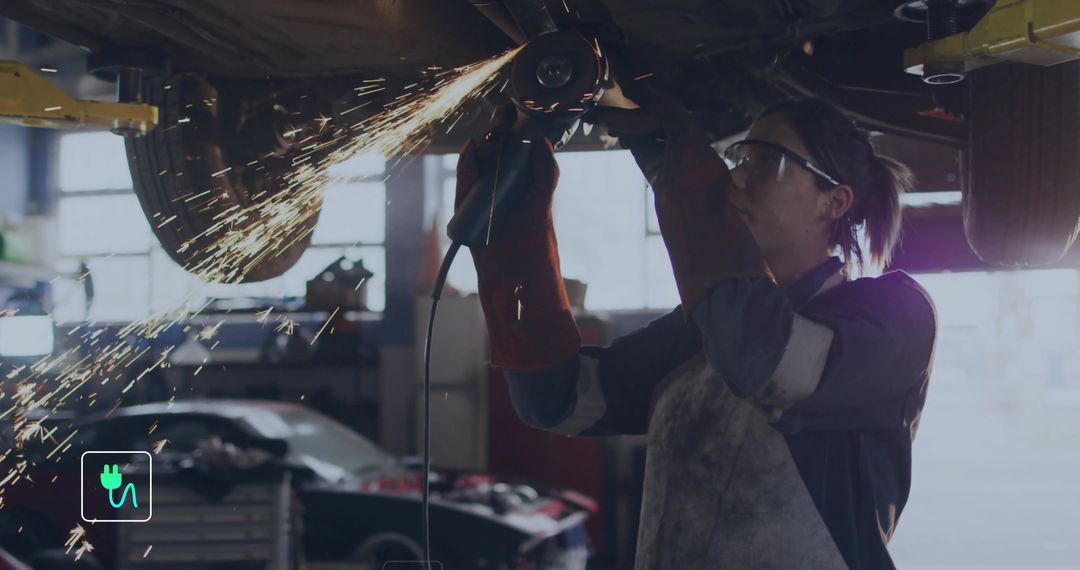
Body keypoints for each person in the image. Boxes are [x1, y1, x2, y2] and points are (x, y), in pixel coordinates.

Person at [453, 81, 937, 569]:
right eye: (739, 160)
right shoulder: (700, 333)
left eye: (767, 162)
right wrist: (512, 221)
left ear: (834, 202)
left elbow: (765, 360)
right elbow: (556, 399)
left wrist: (680, 171)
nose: (735, 180)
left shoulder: (893, 316)